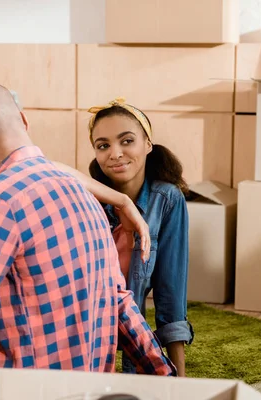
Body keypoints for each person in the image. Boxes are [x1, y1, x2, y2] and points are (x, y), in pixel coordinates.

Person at [0, 83, 176, 400]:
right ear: (23, 121)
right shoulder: (84, 196)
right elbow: (121, 303)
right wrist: (168, 380)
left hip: (17, 388)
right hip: (84, 386)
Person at [86, 98, 193, 377]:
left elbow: (171, 290)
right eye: (103, 145)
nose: (116, 153)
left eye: (127, 141)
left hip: (133, 323)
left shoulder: (167, 200)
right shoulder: (86, 199)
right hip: (85, 328)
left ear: (147, 144)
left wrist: (180, 380)